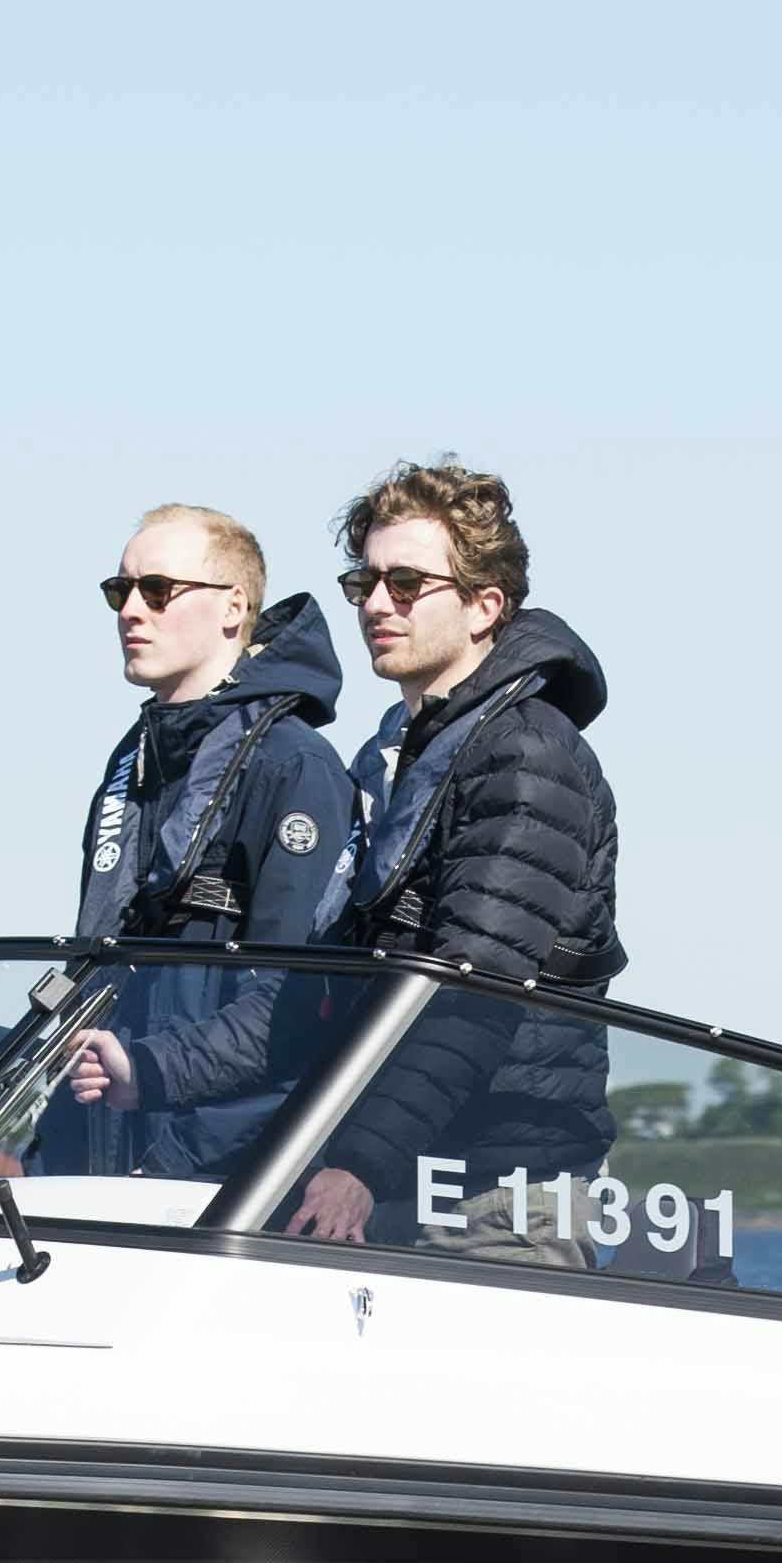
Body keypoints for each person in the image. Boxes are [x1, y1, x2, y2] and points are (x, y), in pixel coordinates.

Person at [285, 460, 618, 1247]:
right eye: (363, 582)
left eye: (406, 584)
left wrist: (360, 1165)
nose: (374, 603)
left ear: (484, 606)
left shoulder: (529, 755)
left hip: (496, 1188)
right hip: (396, 1167)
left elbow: (475, 985)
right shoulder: (391, 760)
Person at [42, 507, 347, 1178]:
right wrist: (45, 1151)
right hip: (109, 1171)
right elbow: (101, 982)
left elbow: (293, 1010)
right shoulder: (135, 765)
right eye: (120, 592)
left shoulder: (296, 767)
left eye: (158, 591)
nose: (131, 612)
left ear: (234, 607)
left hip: (224, 1183)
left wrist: (153, 1086)